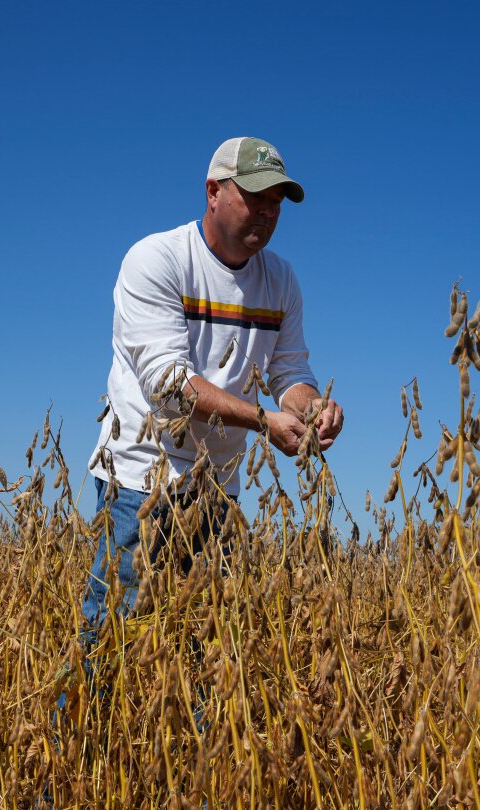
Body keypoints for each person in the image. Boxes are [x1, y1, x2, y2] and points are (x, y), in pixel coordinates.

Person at [62, 136, 343, 714]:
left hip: (218, 491)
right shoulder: (158, 260)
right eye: (255, 197)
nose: (267, 212)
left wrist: (311, 406)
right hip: (140, 483)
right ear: (214, 191)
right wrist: (265, 421)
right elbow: (170, 386)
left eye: (277, 203)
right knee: (109, 645)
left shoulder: (281, 281)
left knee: (204, 656)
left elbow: (289, 370)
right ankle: (66, 780)